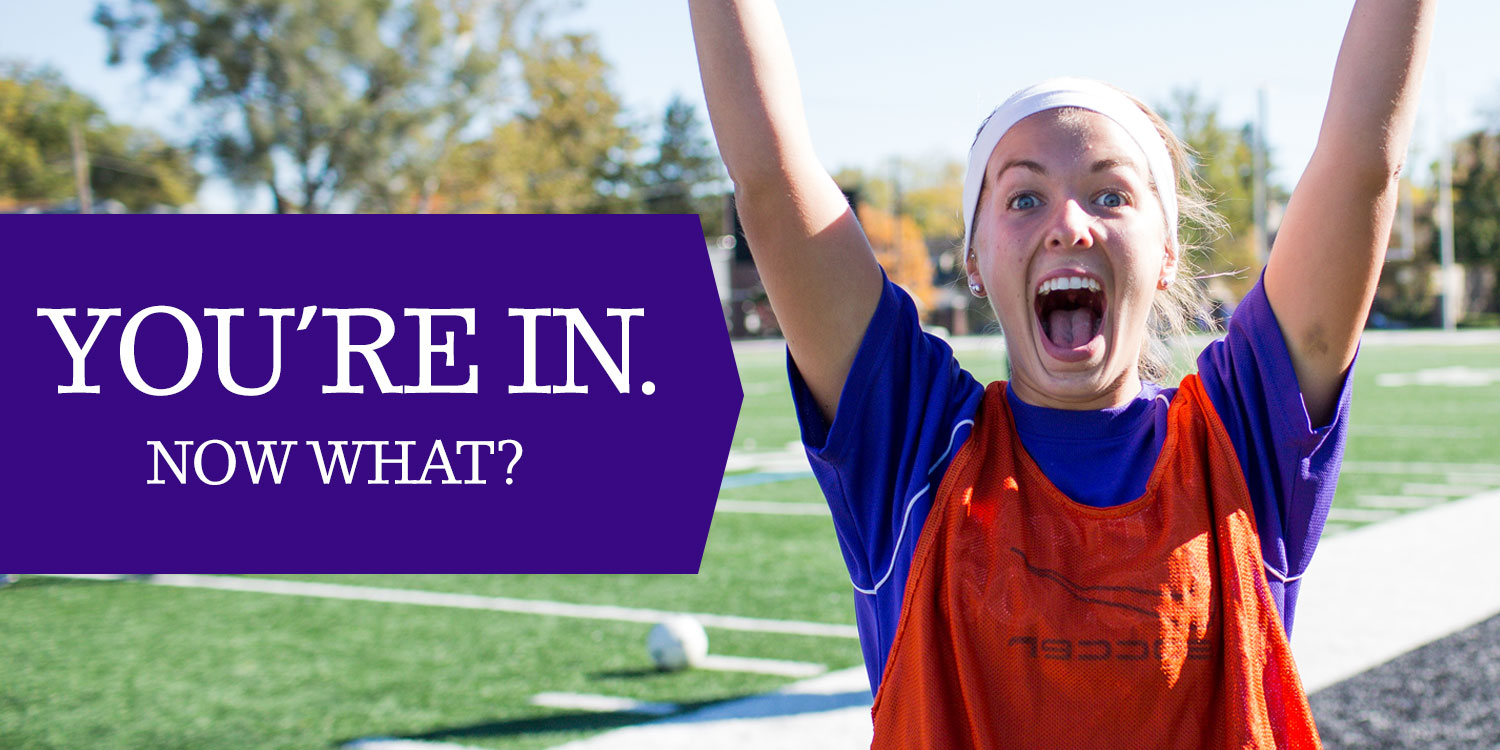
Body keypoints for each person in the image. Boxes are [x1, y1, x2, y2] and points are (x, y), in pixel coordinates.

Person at [688, 1, 1434, 747]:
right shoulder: (913, 445)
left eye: (1111, 195)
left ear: (1168, 252)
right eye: (1024, 196)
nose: (1070, 224)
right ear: (974, 260)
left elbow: (1363, 159)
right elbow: (769, 176)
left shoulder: (1243, 440)